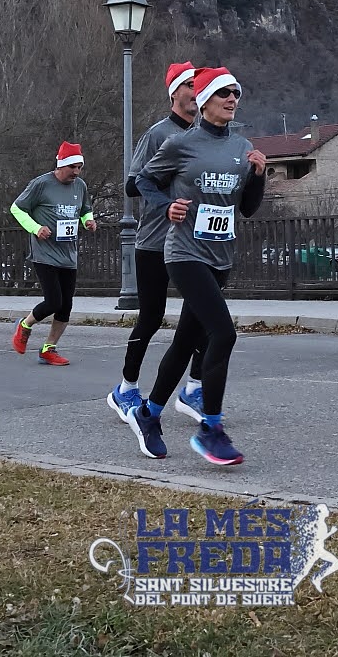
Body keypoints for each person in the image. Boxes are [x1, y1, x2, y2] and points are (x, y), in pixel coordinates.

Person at [128, 66, 267, 465]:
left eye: (236, 93)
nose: (232, 99)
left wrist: (258, 175)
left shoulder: (243, 147)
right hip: (184, 253)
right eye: (224, 93)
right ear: (204, 100)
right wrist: (165, 206)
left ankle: (149, 413)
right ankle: (211, 428)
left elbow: (248, 208)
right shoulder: (178, 144)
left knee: (187, 339)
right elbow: (143, 182)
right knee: (222, 333)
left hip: (220, 255)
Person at [108, 61, 208, 424]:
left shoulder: (201, 136)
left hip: (191, 242)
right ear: (175, 93)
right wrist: (169, 195)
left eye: (199, 85)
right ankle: (125, 389)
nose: (197, 92)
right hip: (153, 240)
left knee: (202, 314)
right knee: (150, 318)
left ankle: (194, 389)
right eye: (190, 85)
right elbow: (132, 185)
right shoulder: (157, 134)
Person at [9, 142, 98, 366]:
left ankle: (49, 348)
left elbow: (85, 209)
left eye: (80, 168)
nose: (76, 172)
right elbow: (17, 208)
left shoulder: (80, 186)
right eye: (73, 167)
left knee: (66, 305)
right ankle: (25, 325)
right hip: (44, 253)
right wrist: (35, 228)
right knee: (53, 301)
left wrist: (88, 221)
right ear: (61, 165)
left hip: (69, 254)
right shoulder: (41, 184)